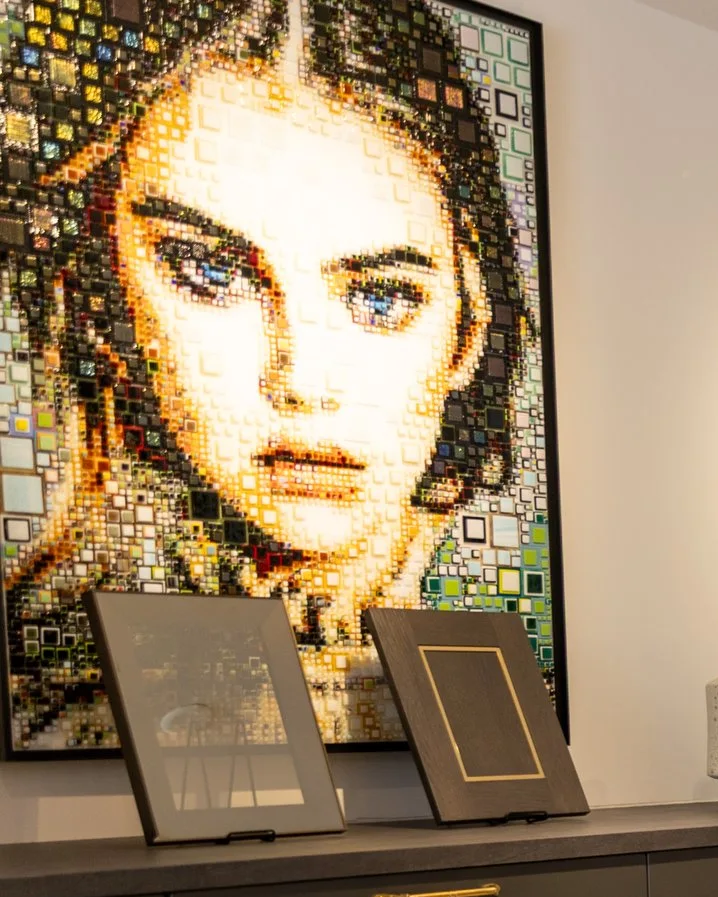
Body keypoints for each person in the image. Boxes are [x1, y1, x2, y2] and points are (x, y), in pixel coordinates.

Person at [2, 0, 531, 749]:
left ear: (470, 326)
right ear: (99, 295)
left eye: (381, 298)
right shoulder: (61, 701)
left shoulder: (484, 691)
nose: (303, 380)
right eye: (208, 273)